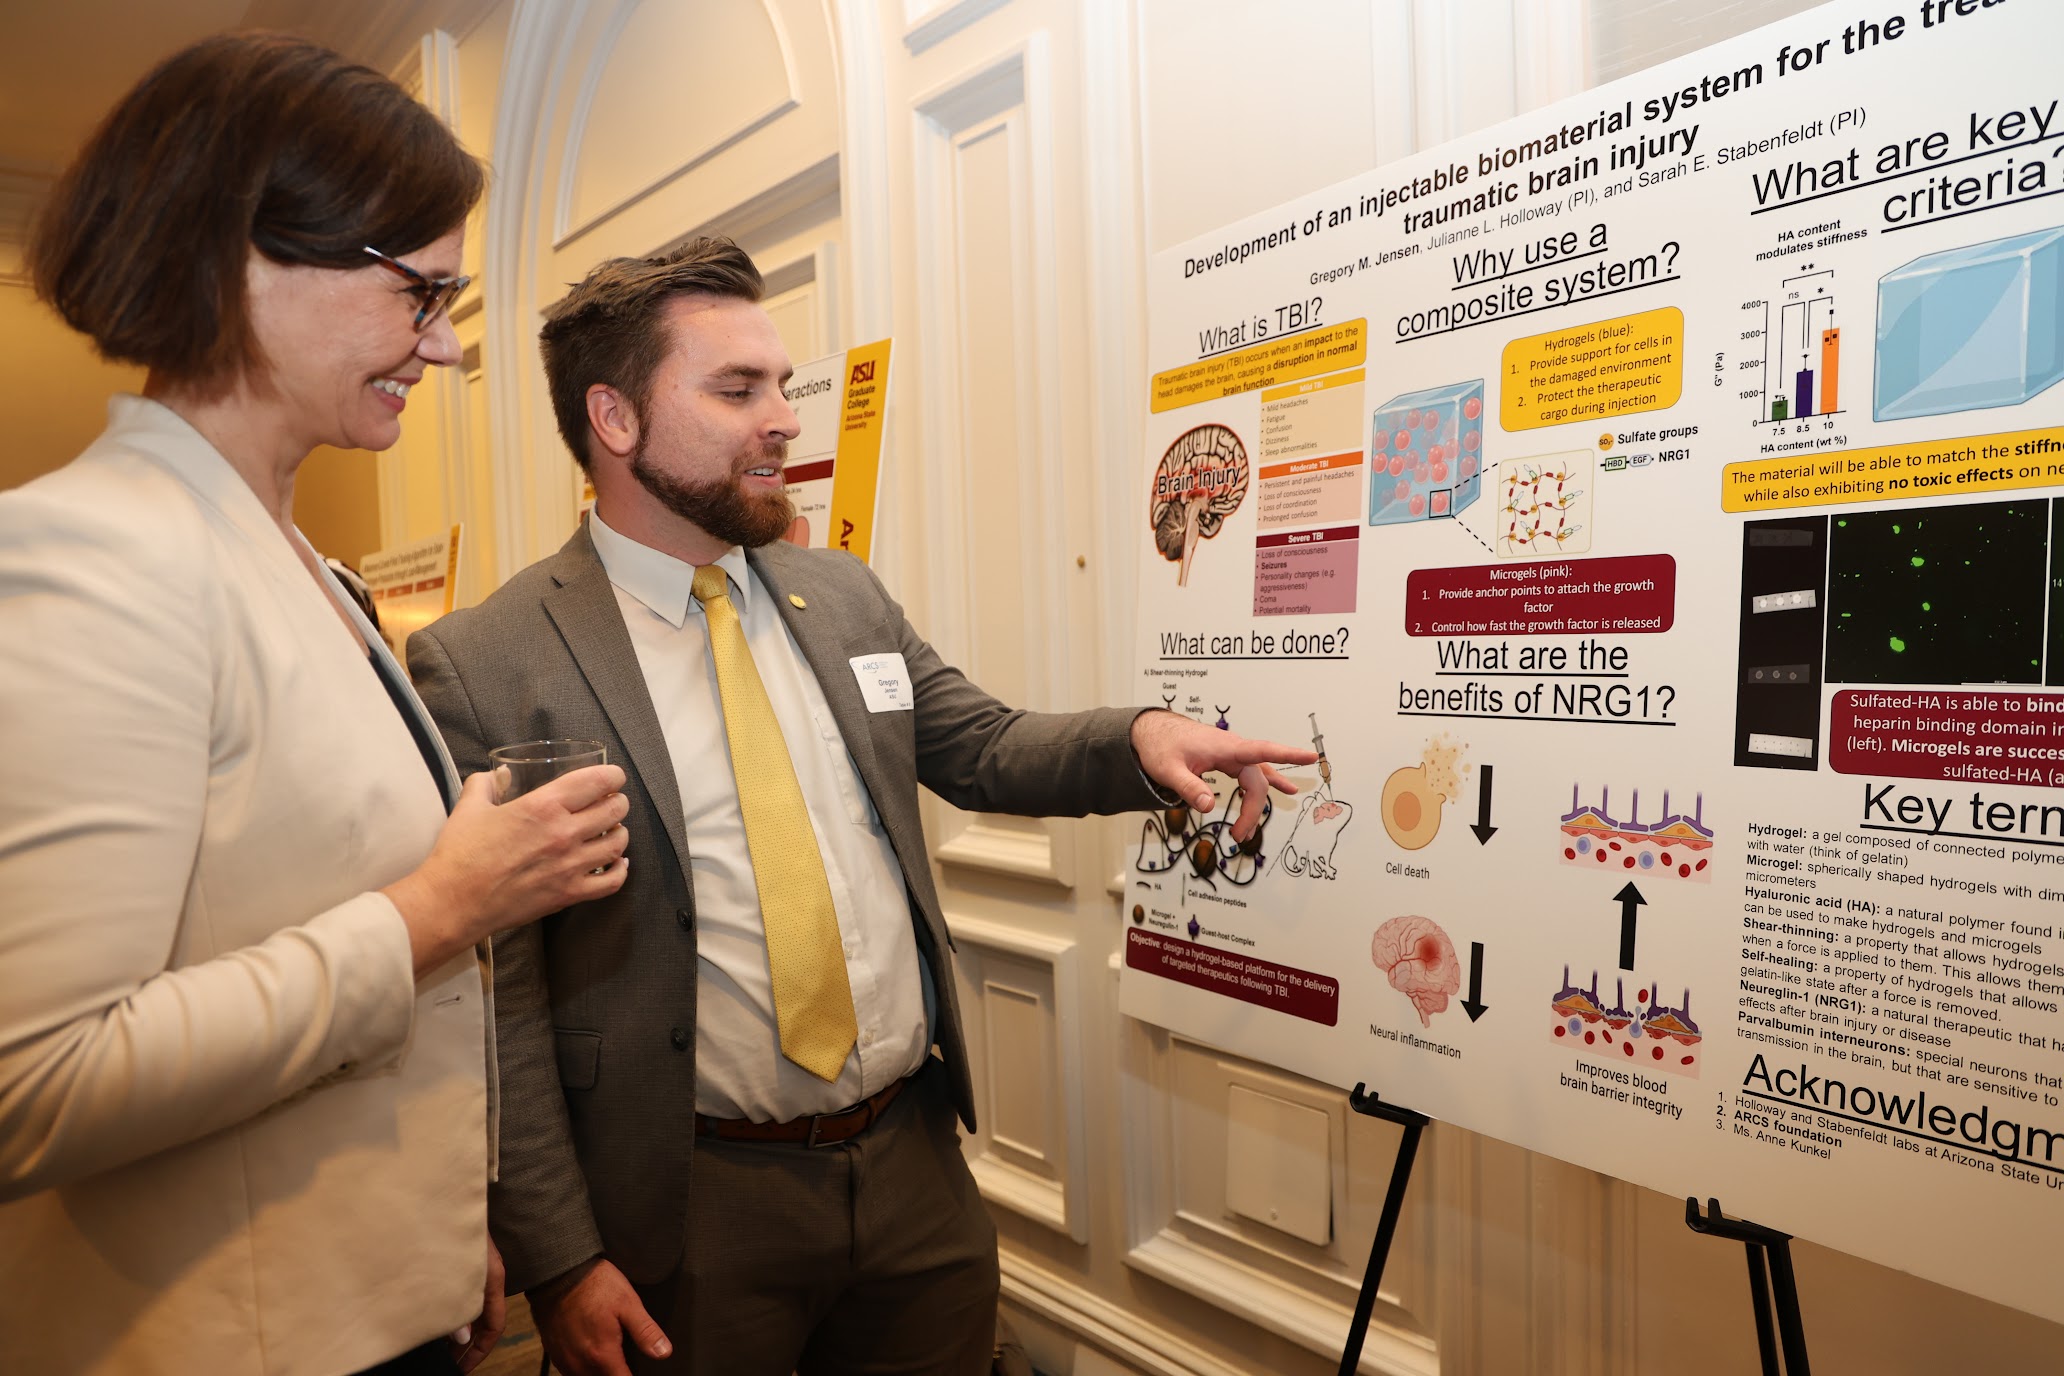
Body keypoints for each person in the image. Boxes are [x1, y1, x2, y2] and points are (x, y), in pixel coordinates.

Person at [407, 238, 1313, 1375]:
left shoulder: (837, 593)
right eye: (738, 390)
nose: (785, 420)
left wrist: (1139, 738)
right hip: (688, 1206)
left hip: (912, 1171)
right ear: (615, 418)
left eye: (783, 386)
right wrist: (562, 1257)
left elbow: (983, 746)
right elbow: (496, 996)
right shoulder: (488, 662)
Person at [0, 35, 632, 1376]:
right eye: (422, 294)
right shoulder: (95, 553)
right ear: (241, 257)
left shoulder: (301, 563)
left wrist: (434, 1223)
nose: (445, 345)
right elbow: (35, 1086)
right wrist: (442, 906)